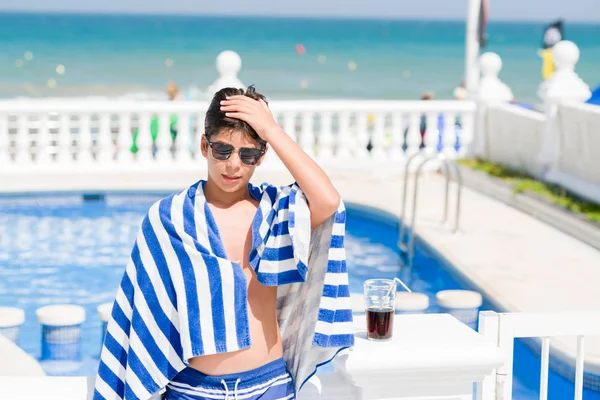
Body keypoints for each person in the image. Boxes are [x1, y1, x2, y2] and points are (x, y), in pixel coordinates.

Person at [94, 86, 354, 400]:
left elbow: (327, 201)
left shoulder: (276, 211)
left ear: (262, 155)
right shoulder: (170, 219)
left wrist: (271, 130)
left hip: (268, 387)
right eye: (223, 150)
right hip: (193, 390)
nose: (233, 164)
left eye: (248, 154)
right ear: (204, 146)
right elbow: (143, 315)